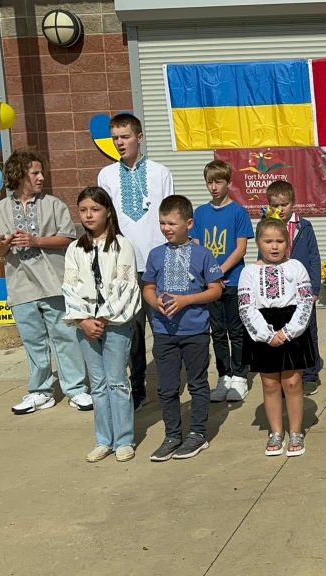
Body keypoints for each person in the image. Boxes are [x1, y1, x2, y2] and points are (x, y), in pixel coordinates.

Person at [0, 149, 90, 415]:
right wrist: (4, 243)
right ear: (20, 175)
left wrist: (35, 240)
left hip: (54, 283)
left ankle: (76, 389)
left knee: (65, 338)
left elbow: (68, 238)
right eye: (35, 173)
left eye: (41, 172)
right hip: (21, 287)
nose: (41, 177)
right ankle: (40, 392)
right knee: (34, 342)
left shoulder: (53, 205)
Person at [97, 113, 175, 411]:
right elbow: (105, 220)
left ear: (139, 137)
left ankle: (168, 384)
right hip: (124, 264)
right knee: (132, 331)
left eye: (125, 136)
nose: (120, 142)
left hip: (157, 263)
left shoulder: (160, 172)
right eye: (115, 138)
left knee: (164, 326)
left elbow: (171, 217)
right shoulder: (106, 175)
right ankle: (138, 386)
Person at [62, 187, 141, 462]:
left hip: (115, 322)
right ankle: (103, 439)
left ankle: (124, 439)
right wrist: (83, 320)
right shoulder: (75, 248)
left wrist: (103, 317)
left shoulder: (122, 245)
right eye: (83, 210)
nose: (89, 215)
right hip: (86, 324)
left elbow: (125, 285)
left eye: (95, 209)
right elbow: (69, 287)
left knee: (117, 381)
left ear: (108, 211)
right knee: (97, 384)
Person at [142, 195, 224, 461]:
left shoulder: (203, 254)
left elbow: (215, 290)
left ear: (188, 224)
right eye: (162, 223)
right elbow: (148, 287)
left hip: (195, 332)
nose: (166, 228)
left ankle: (197, 433)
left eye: (172, 223)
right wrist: (154, 302)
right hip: (164, 331)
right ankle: (172, 435)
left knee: (197, 384)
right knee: (166, 388)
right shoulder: (156, 254)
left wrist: (187, 300)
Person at [239, 218, 318, 457]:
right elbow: (245, 307)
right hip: (262, 330)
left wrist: (288, 331)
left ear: (288, 243)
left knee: (292, 382)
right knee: (270, 383)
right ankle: (275, 431)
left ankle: (296, 431)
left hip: (293, 329)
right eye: (268, 241)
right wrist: (266, 335)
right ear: (258, 243)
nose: (274, 246)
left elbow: (305, 301)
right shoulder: (249, 272)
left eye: (280, 241)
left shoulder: (296, 267)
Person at [191, 160, 253, 403]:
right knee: (217, 332)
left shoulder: (238, 212)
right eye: (209, 182)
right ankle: (224, 375)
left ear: (228, 182)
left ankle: (240, 375)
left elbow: (240, 248)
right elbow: (196, 246)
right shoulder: (200, 213)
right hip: (210, 284)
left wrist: (219, 271)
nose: (214, 187)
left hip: (233, 280)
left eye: (218, 182)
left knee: (236, 330)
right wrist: (210, 276)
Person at [270, 181, 324, 394]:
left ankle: (310, 374)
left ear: (293, 203)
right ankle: (287, 373)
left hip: (303, 290)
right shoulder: (268, 226)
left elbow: (314, 258)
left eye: (284, 204)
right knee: (283, 331)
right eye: (275, 205)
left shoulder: (304, 226)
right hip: (280, 291)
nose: (280, 209)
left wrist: (315, 288)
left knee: (307, 331)